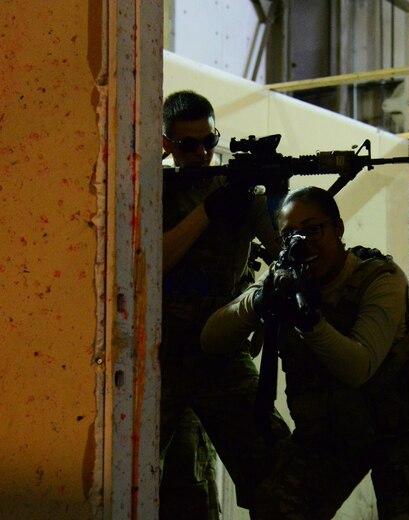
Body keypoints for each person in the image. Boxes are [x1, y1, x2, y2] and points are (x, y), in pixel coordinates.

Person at [201, 185, 409, 519]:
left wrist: (309, 323)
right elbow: (210, 339)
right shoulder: (284, 281)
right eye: (290, 236)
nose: (304, 243)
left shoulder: (379, 279)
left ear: (338, 229)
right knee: (273, 508)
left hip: (399, 435)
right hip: (326, 440)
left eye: (313, 230)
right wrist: (258, 301)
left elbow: (358, 367)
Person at [160, 90, 289, 519]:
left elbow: (282, 252)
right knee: (176, 487)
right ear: (166, 145)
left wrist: (277, 196)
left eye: (209, 141)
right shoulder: (153, 190)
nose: (201, 154)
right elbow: (153, 261)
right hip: (162, 357)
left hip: (222, 352)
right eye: (188, 145)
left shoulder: (239, 191)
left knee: (278, 470)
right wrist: (209, 211)